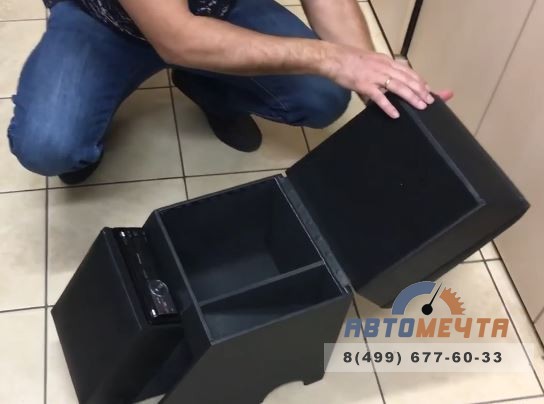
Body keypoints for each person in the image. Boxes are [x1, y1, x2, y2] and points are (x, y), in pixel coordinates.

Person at [7, 0, 453, 185]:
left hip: (219, 9)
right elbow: (178, 37)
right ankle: (86, 137)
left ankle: (209, 87)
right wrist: (330, 58)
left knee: (322, 95)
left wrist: (373, 75)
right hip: (104, 21)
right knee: (50, 144)